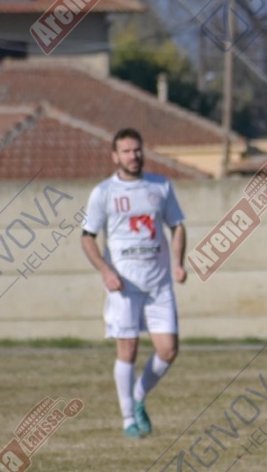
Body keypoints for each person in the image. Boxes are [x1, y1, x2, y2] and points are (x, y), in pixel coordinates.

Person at [80, 129, 187, 438]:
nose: (133, 156)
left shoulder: (160, 186)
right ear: (115, 156)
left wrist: (178, 262)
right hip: (124, 286)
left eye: (137, 150)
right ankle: (128, 419)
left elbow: (177, 226)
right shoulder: (104, 192)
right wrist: (105, 271)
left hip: (158, 285)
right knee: (128, 349)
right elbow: (87, 237)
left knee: (168, 350)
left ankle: (138, 396)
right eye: (126, 151)